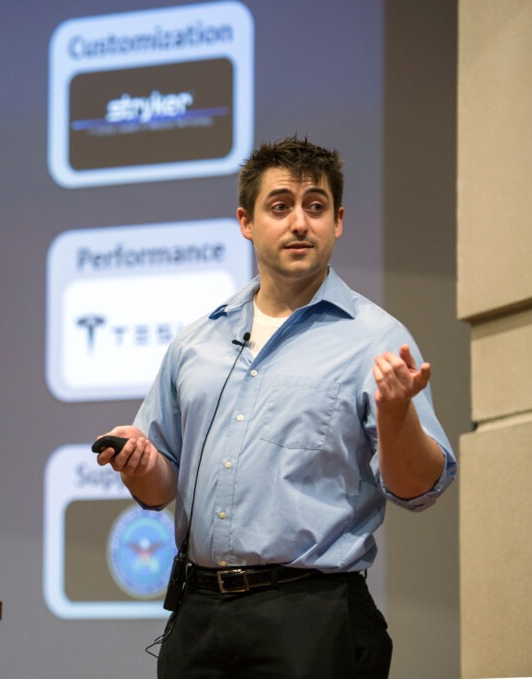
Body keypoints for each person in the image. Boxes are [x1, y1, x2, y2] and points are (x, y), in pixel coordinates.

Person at [95, 136, 456, 678]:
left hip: (311, 616)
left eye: (315, 207)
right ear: (246, 222)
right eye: (280, 206)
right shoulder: (199, 341)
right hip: (198, 615)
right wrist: (141, 465)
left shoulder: (376, 338)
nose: (299, 223)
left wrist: (397, 413)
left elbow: (418, 490)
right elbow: (160, 488)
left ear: (338, 221)